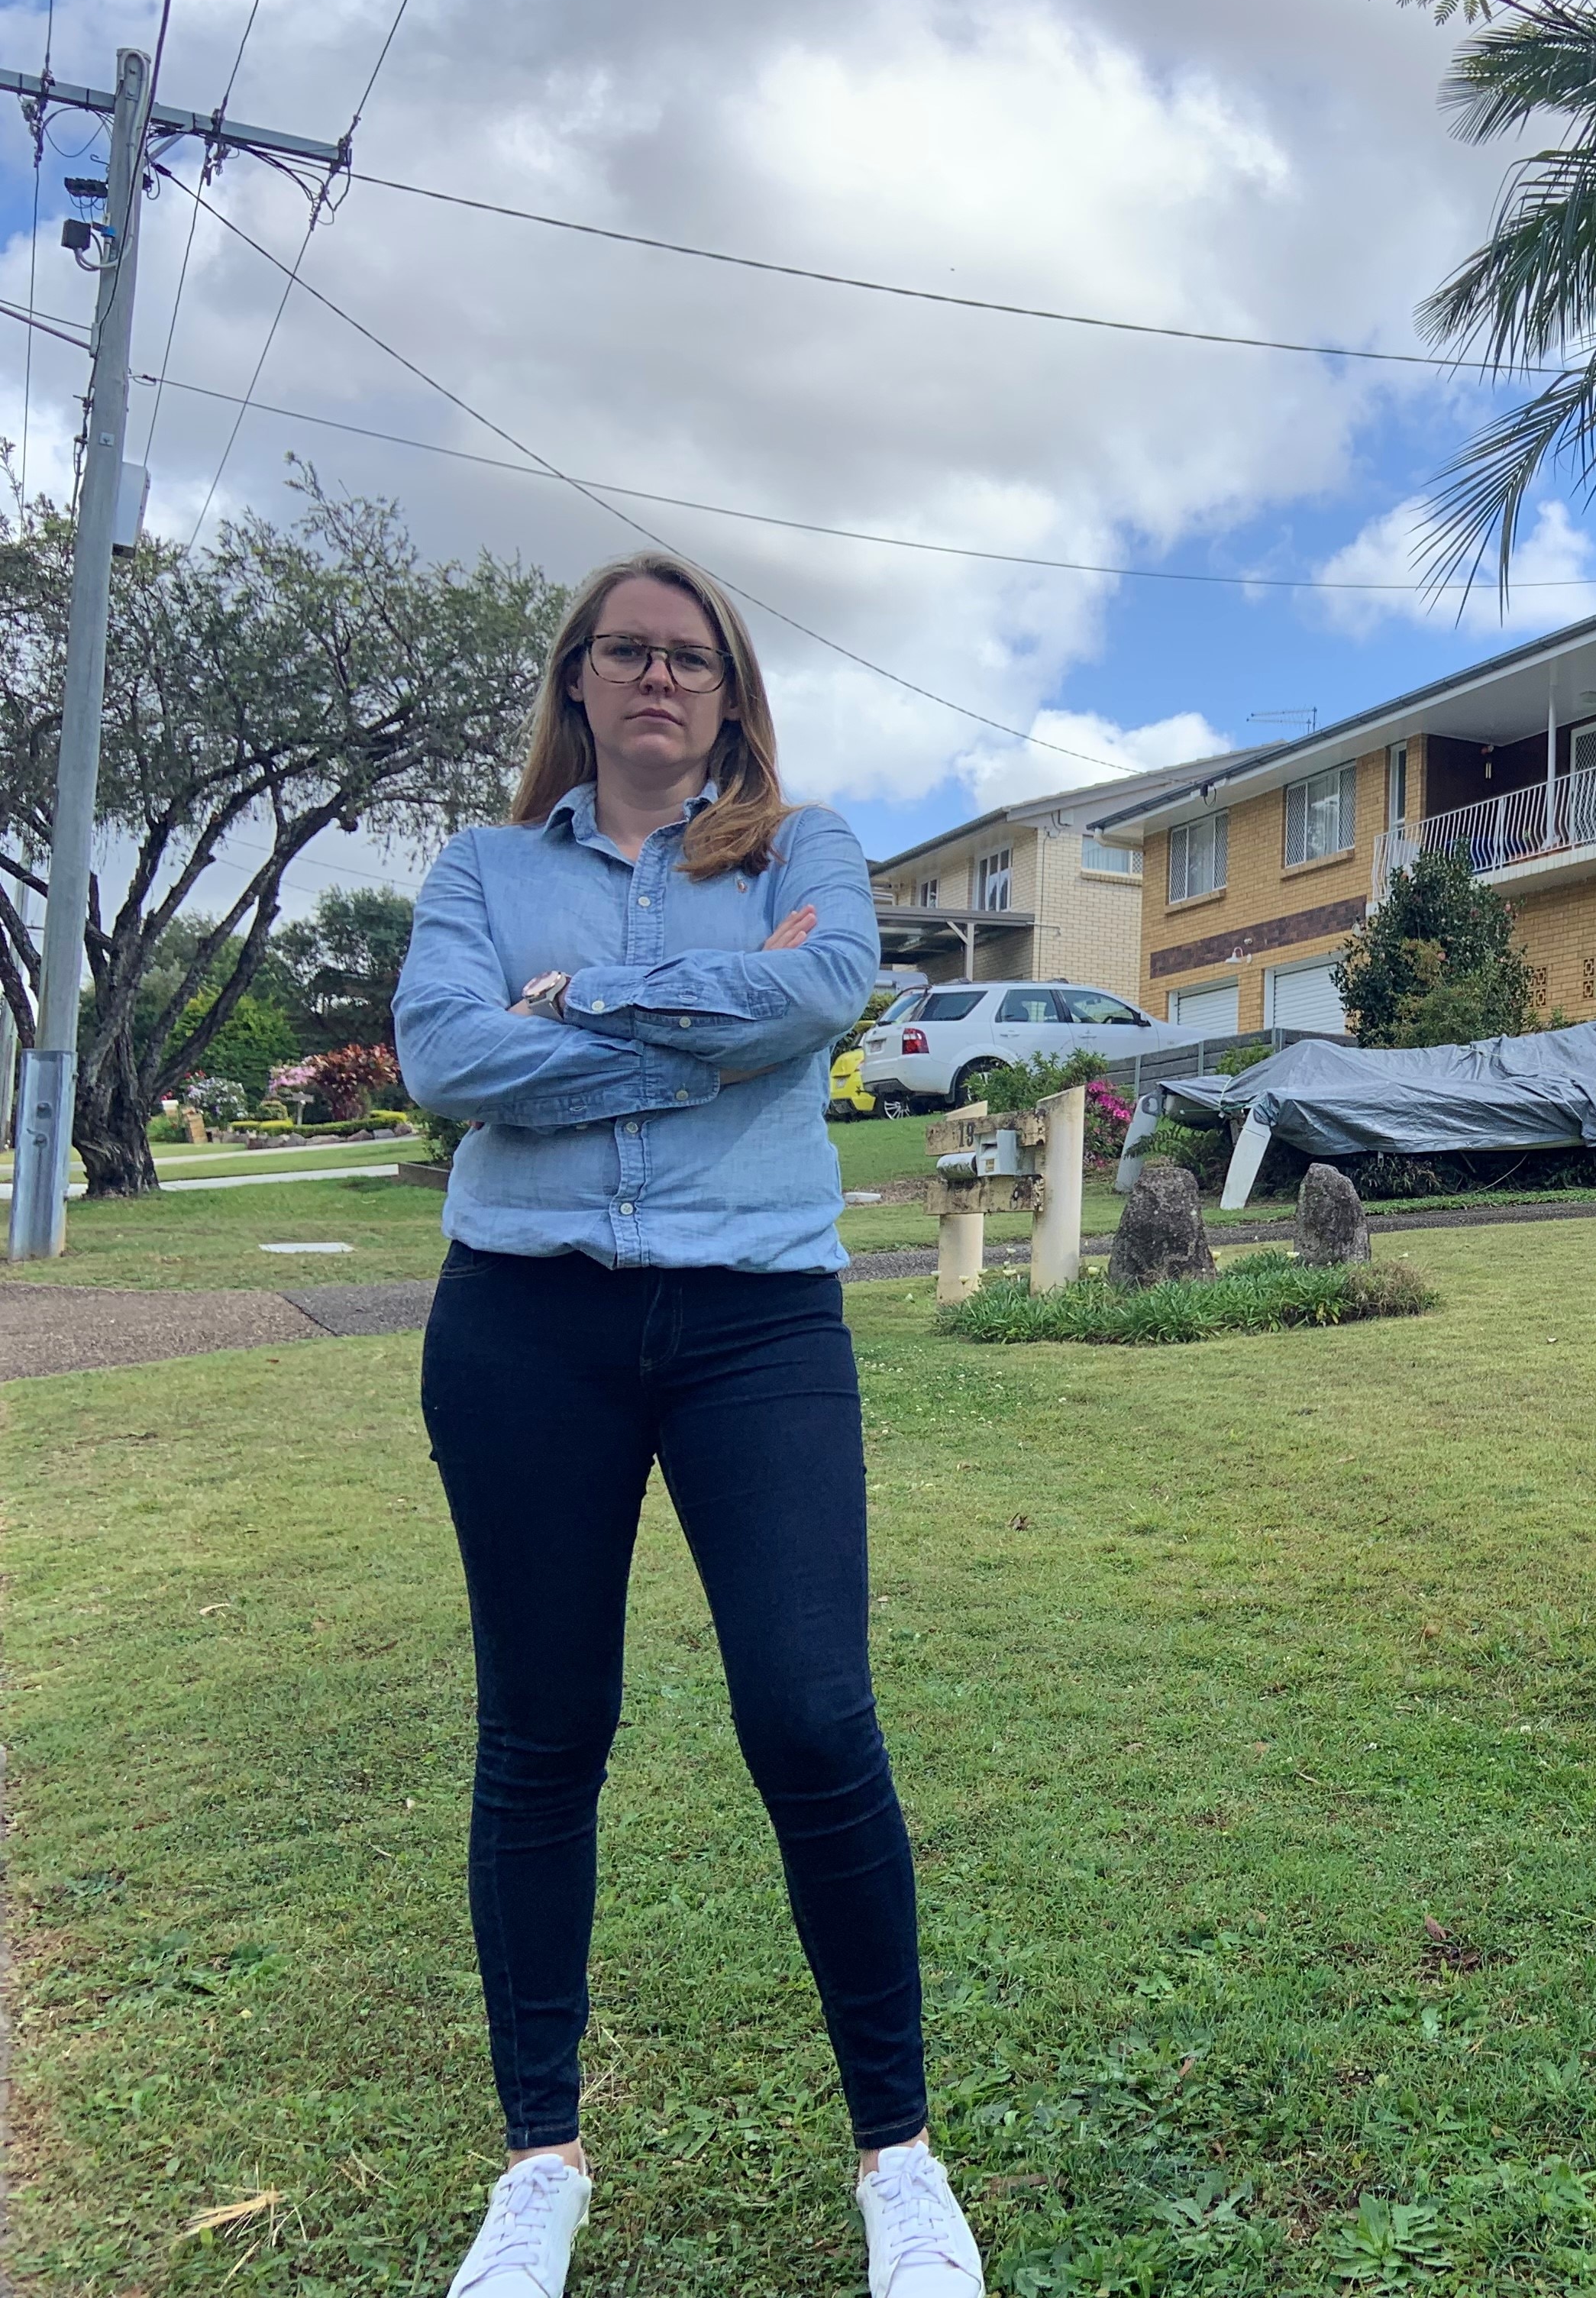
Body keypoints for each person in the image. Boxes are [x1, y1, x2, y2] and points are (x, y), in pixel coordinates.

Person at [395, 554, 983, 2297]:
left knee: (813, 1716)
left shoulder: (805, 851)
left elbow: (823, 997)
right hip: (524, 1327)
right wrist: (709, 1048)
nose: (660, 677)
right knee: (543, 1735)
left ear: (731, 693)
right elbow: (442, 1057)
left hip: (756, 1324)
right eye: (627, 651)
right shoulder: (484, 869)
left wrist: (566, 1007)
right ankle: (539, 2164)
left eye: (693, 656)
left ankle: (900, 2157)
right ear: (577, 680)